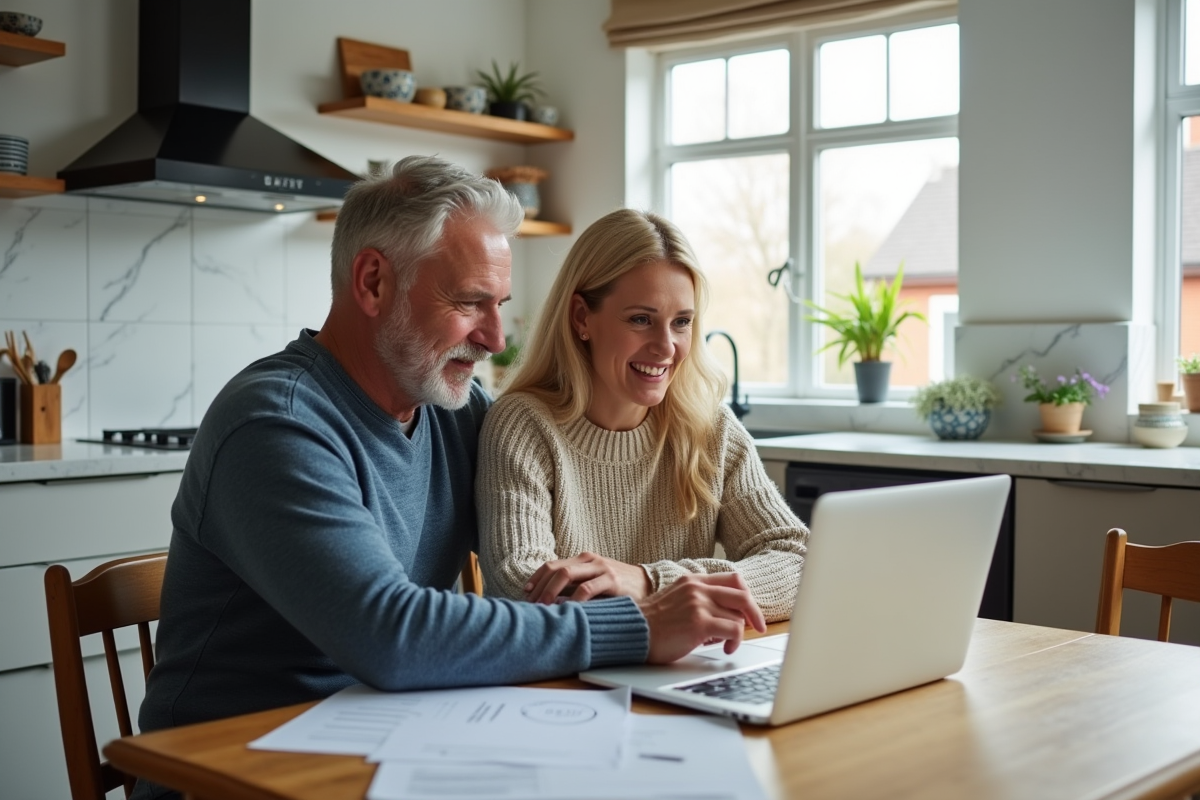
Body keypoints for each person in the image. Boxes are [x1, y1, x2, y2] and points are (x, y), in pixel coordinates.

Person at [133, 158, 765, 799]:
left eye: (500, 306)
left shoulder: (456, 415)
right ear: (374, 282)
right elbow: (392, 634)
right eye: (468, 303)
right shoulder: (275, 424)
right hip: (238, 772)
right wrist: (642, 624)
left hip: (391, 741)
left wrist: (646, 574)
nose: (494, 338)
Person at [476, 209, 809, 622]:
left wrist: (650, 582)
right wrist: (679, 604)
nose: (666, 347)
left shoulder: (710, 429)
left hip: (685, 672)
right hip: (568, 682)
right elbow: (523, 588)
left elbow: (799, 563)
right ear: (582, 317)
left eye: (682, 322)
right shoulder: (523, 425)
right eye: (641, 320)